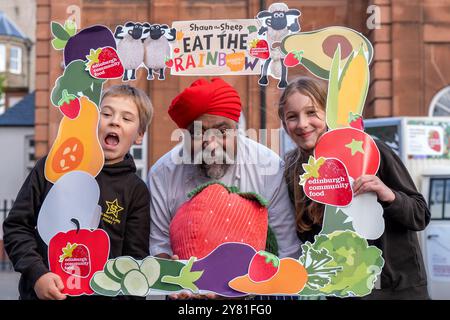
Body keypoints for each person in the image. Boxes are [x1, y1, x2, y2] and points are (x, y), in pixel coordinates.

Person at [278, 76, 431, 300]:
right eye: (292, 117)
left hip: (397, 290)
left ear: (328, 112)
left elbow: (420, 215)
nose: (302, 124)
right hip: (341, 291)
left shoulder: (369, 150)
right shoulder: (293, 170)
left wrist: (388, 195)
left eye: (311, 112)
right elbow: (304, 236)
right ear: (284, 124)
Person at [3, 84, 153, 300]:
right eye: (106, 113)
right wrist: (37, 275)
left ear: (139, 135)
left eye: (127, 118)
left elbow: (134, 263)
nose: (115, 121)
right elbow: (16, 226)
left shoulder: (136, 190)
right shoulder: (53, 166)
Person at [148, 77, 301, 261]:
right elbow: (160, 247)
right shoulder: (163, 174)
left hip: (255, 283)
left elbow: (287, 249)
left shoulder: (268, 167)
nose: (212, 145)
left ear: (237, 130)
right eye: (199, 133)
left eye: (222, 132)